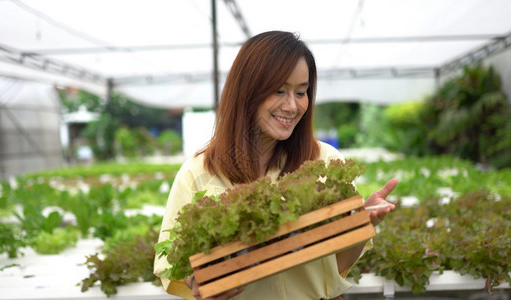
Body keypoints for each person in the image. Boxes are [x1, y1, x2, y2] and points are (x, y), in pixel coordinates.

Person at [153, 30, 398, 300]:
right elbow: (173, 261)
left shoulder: (326, 161)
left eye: (301, 92)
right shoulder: (198, 171)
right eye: (279, 90)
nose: (292, 106)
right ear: (247, 91)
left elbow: (337, 267)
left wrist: (359, 225)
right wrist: (197, 281)